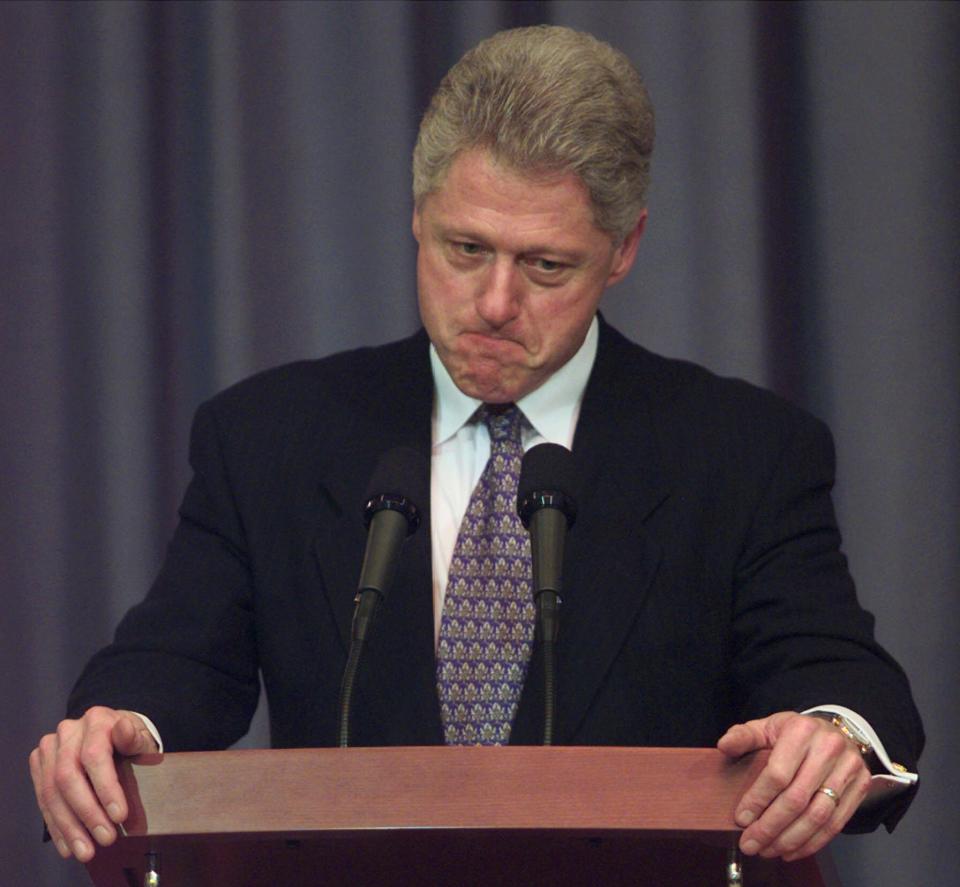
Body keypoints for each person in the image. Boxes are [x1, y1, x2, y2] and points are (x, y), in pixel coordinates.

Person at [30, 24, 922, 869]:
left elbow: (841, 676)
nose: (495, 302)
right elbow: (175, 661)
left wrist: (832, 734)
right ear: (418, 216)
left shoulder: (744, 451)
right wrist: (120, 727)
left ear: (623, 250)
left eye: (545, 266)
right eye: (465, 248)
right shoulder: (270, 435)